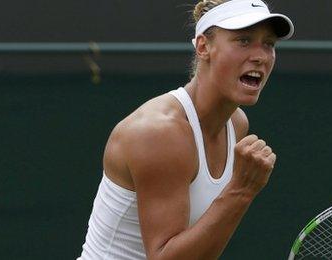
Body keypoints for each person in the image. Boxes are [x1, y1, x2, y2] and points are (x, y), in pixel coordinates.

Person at [77, 0, 294, 259]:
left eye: (268, 44)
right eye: (244, 41)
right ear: (204, 47)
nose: (260, 56)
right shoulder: (158, 133)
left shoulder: (236, 123)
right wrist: (241, 190)